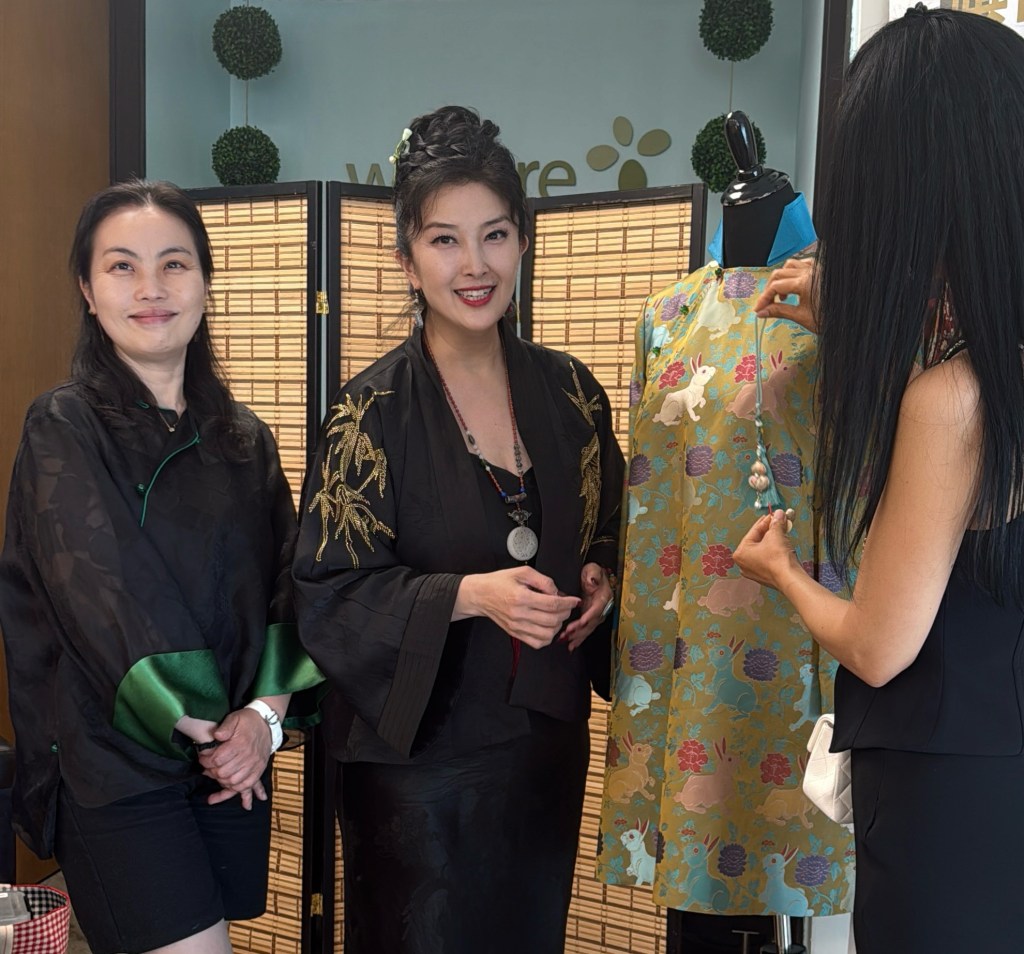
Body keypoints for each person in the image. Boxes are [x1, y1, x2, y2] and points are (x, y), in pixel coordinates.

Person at [292, 105, 625, 954]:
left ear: (523, 242)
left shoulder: (573, 393)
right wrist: (470, 596)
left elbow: (609, 523)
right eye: (444, 241)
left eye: (495, 235)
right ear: (406, 260)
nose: (474, 266)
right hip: (416, 764)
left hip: (543, 748)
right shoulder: (369, 414)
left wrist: (602, 575)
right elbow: (327, 591)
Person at [734, 7, 1024, 951]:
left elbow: (878, 647)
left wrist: (780, 571)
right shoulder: (985, 380)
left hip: (954, 812)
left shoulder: (954, 400)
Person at [0, 179, 323, 954]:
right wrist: (217, 732)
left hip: (230, 757)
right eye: (122, 266)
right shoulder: (63, 425)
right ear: (88, 290)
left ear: (205, 282)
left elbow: (291, 586)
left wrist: (264, 721)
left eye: (174, 264)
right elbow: (104, 597)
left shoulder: (245, 438)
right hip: (113, 764)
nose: (151, 288)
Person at [597, 107, 854, 948]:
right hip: (685, 629)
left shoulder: (844, 299)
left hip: (803, 617)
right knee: (697, 841)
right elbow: (650, 491)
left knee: (790, 831)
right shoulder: (667, 314)